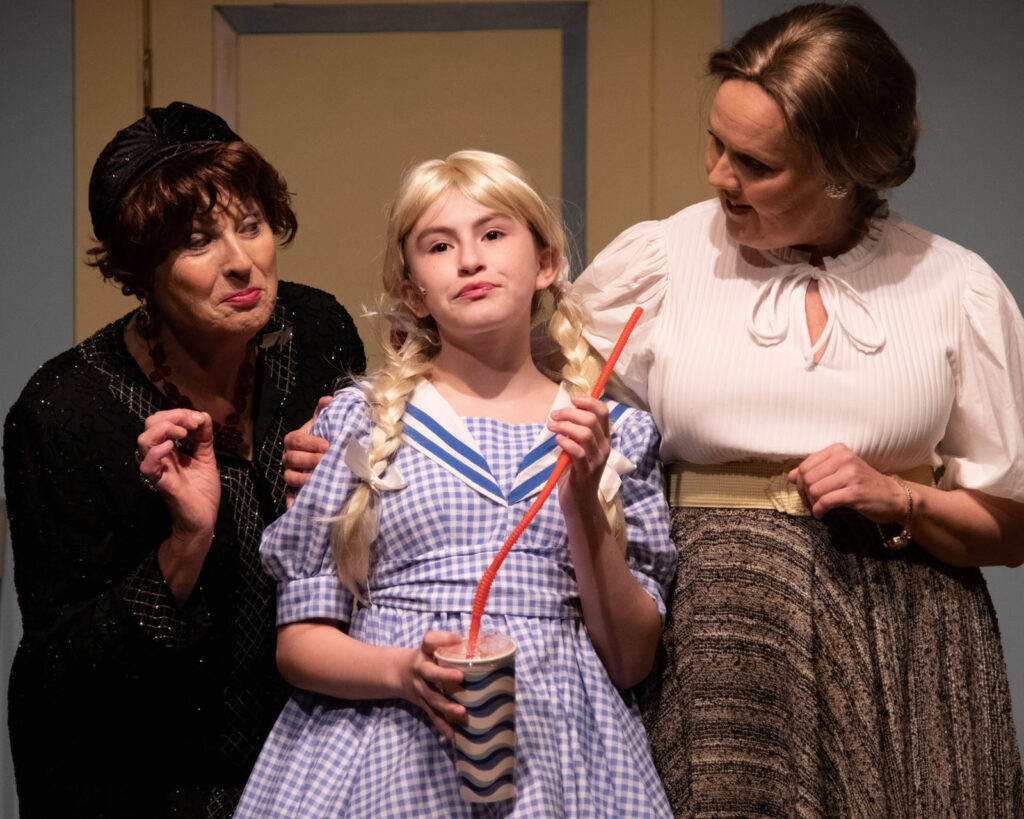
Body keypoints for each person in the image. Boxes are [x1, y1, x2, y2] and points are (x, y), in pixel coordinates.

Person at [571, 4, 1024, 816]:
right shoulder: (661, 260)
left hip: (904, 642)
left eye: (755, 163)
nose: (718, 175)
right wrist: (369, 438)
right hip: (718, 634)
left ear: (845, 170)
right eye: (716, 142)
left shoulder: (957, 287)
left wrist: (905, 497)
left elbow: (1011, 526)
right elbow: (507, 400)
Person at [234, 150, 676, 817]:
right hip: (384, 745)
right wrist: (401, 670)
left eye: (494, 234)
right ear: (413, 290)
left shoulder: (613, 434)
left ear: (546, 263)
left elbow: (629, 658)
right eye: (439, 246)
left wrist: (583, 498)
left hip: (562, 751)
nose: (470, 260)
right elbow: (299, 643)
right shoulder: (364, 420)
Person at [2, 101, 366, 817]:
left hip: (312, 774)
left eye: (252, 225)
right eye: (199, 241)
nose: (242, 263)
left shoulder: (317, 330)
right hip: (144, 789)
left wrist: (360, 491)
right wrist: (184, 548)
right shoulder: (64, 411)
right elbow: (56, 676)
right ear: (141, 270)